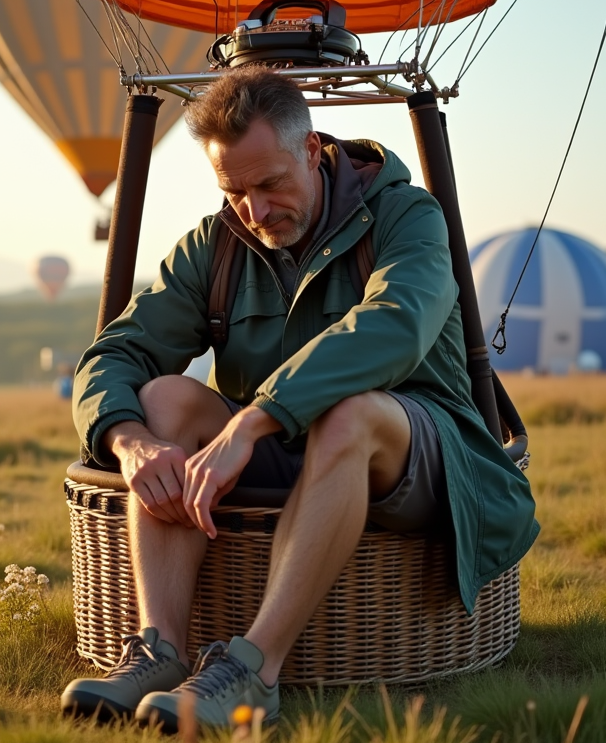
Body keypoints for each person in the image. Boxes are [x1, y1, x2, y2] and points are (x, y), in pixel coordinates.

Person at [64, 67, 538, 730]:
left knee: (350, 414)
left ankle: (254, 669)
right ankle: (161, 650)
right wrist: (128, 439)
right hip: (284, 454)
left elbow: (394, 326)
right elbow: (116, 352)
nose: (255, 212)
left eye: (271, 185)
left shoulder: (407, 216)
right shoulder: (217, 244)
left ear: (312, 152)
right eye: (234, 191)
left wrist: (252, 421)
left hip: (415, 453)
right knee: (165, 400)